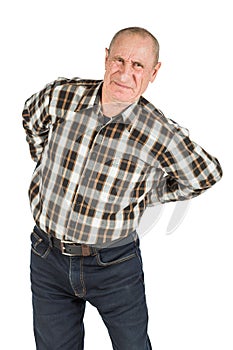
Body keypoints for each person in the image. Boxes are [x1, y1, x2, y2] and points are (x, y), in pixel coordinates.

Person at [22, 27, 222, 350]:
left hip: (113, 266)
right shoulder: (64, 96)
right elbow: (31, 117)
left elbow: (205, 173)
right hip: (47, 256)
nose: (125, 73)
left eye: (138, 66)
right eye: (119, 60)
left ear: (154, 72)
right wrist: (46, 164)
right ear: (106, 58)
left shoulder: (157, 131)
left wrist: (147, 194)